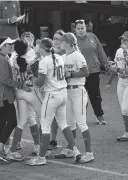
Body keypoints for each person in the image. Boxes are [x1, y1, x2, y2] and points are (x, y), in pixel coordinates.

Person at [27, 38, 81, 166]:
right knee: (63, 123)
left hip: (52, 95)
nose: (36, 48)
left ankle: (41, 158)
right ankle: (75, 150)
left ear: (42, 48)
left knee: (45, 126)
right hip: (63, 93)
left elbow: (40, 82)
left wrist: (31, 77)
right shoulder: (59, 57)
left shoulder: (44, 61)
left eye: (38, 46)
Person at [0, 37, 30, 161]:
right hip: (4, 96)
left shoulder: (0, 58)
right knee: (12, 122)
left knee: (1, 123)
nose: (11, 46)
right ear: (2, 46)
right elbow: (4, 79)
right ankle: (0, 149)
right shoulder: (2, 59)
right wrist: (20, 85)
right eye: (8, 45)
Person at [60, 33, 94, 163]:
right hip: (67, 92)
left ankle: (89, 153)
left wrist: (71, 73)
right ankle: (70, 148)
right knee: (70, 122)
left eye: (62, 41)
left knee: (81, 122)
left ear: (68, 43)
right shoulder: (63, 56)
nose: (60, 43)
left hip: (78, 91)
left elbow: (86, 72)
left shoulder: (77, 55)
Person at [7, 39, 42, 161]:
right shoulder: (31, 56)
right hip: (30, 91)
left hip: (19, 91)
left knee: (22, 121)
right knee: (43, 117)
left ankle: (12, 150)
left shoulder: (13, 57)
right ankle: (39, 146)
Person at [106, 31, 128, 142]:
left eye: (125, 39)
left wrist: (126, 52)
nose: (123, 41)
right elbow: (115, 67)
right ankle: (127, 132)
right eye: (122, 39)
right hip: (121, 80)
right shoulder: (118, 51)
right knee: (123, 109)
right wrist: (109, 81)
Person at [74, 19, 108, 125]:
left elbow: (100, 50)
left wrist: (105, 62)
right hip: (79, 73)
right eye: (78, 28)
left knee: (95, 95)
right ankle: (81, 117)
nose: (81, 30)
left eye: (82, 28)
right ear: (75, 29)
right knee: (80, 96)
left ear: (86, 28)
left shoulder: (92, 37)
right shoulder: (72, 40)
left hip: (93, 71)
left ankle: (99, 116)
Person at [48, 30, 66, 150]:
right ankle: (52, 139)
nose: (56, 41)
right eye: (54, 38)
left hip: (65, 90)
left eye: (58, 39)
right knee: (53, 117)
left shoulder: (67, 54)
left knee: (66, 119)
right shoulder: (50, 53)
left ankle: (71, 145)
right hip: (52, 89)